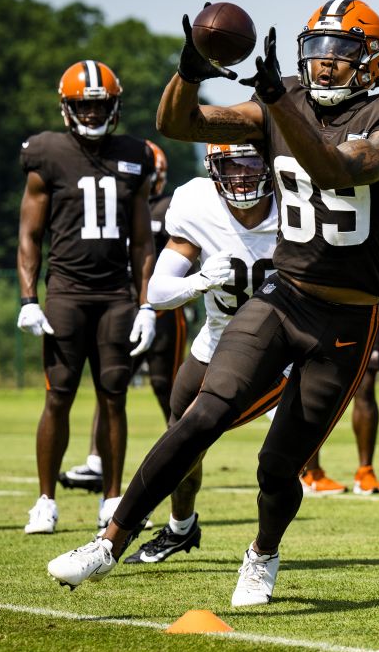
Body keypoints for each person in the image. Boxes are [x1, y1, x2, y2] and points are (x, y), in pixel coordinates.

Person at [47, 0, 379, 608]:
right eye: (318, 51)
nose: (326, 64)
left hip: (346, 319)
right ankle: (108, 543)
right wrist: (192, 68)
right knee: (201, 414)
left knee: (277, 468)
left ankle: (262, 555)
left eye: (342, 52)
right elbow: (181, 124)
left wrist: (278, 100)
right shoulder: (287, 103)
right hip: (282, 298)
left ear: (373, 60)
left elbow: (337, 168)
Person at [16, 60, 157, 534]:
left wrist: (146, 304)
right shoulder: (46, 153)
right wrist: (28, 298)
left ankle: (112, 499)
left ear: (114, 107)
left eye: (100, 105)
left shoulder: (135, 154)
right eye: (83, 105)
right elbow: (29, 235)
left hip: (116, 294)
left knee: (113, 395)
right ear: (66, 106)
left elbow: (143, 241)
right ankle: (45, 500)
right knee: (58, 396)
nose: (92, 114)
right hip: (67, 294)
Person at [122, 142, 279, 564]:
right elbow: (157, 291)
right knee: (179, 439)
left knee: (270, 456)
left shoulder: (297, 203)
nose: (243, 176)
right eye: (232, 165)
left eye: (252, 164)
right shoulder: (196, 204)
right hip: (216, 343)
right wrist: (198, 282)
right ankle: (180, 527)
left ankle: (264, 552)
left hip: (280, 351)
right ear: (213, 168)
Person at [60, 140, 185, 496]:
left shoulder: (170, 207)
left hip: (161, 312)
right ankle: (98, 460)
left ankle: (181, 452)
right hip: (123, 307)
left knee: (168, 386)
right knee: (109, 386)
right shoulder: (115, 207)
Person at [299, 247, 379, 495]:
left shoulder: (376, 212)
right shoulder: (319, 211)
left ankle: (365, 472)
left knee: (366, 389)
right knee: (313, 389)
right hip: (323, 313)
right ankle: (310, 472)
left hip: (366, 313)